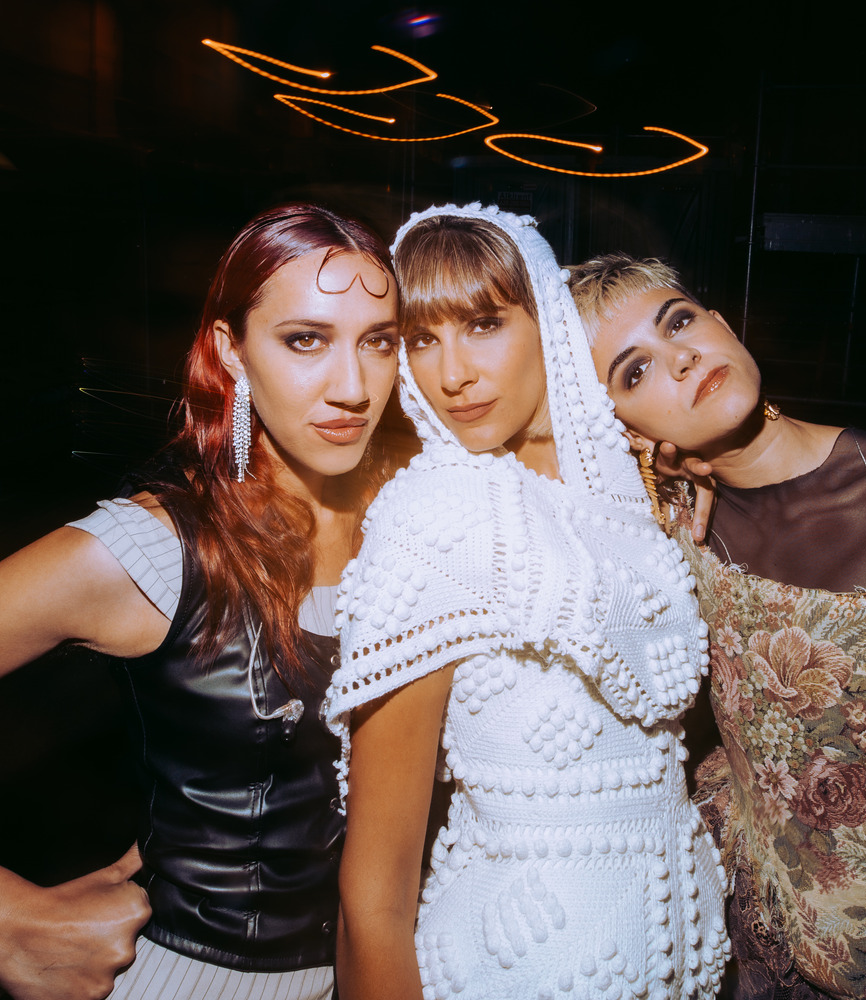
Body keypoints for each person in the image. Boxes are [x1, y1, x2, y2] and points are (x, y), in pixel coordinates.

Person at [0, 202, 406, 1000]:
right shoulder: (156, 548)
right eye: (306, 340)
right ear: (232, 351)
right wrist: (8, 921)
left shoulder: (417, 522)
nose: (353, 387)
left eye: (379, 341)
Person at [325, 203, 730, 1000]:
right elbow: (374, 893)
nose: (452, 374)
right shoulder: (433, 520)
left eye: (482, 325)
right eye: (420, 339)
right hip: (512, 966)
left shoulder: (634, 490)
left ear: (545, 317)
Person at [569, 252, 866, 1000]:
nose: (680, 358)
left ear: (723, 324)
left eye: (680, 322)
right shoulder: (663, 542)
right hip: (758, 954)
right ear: (618, 426)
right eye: (635, 372)